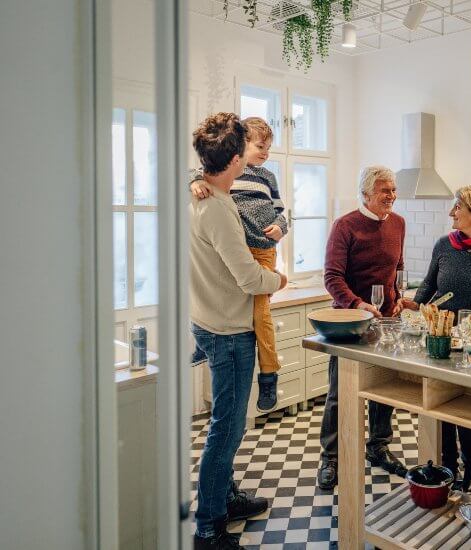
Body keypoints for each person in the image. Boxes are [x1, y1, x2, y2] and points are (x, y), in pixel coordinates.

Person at [189, 112, 287, 550]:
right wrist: (279, 280)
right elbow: (250, 279)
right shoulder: (217, 209)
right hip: (228, 331)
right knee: (226, 430)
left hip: (211, 320)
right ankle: (209, 526)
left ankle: (224, 498)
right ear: (234, 160)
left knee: (227, 426)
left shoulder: (203, 195)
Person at [402, 185, 471, 490]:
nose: (452, 212)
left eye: (457, 207)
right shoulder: (443, 244)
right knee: (442, 405)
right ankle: (447, 469)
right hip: (441, 338)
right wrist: (412, 304)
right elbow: (428, 287)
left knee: (468, 408)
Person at [317, 165, 407, 490]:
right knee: (340, 393)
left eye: (393, 190)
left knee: (385, 390)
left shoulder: (398, 223)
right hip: (350, 325)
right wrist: (357, 304)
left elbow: (398, 268)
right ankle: (331, 458)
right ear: (367, 193)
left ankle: (378, 446)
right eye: (385, 190)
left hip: (387, 321)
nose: (392, 196)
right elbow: (332, 277)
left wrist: (399, 296)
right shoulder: (345, 226)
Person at [190, 117, 289, 413]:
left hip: (265, 249)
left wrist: (281, 227)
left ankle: (269, 373)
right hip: (242, 248)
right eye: (260, 146)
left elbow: (282, 210)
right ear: (240, 150)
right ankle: (203, 342)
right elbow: (193, 172)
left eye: (269, 148)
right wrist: (195, 182)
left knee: (261, 315)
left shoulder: (268, 176)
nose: (265, 153)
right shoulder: (222, 178)